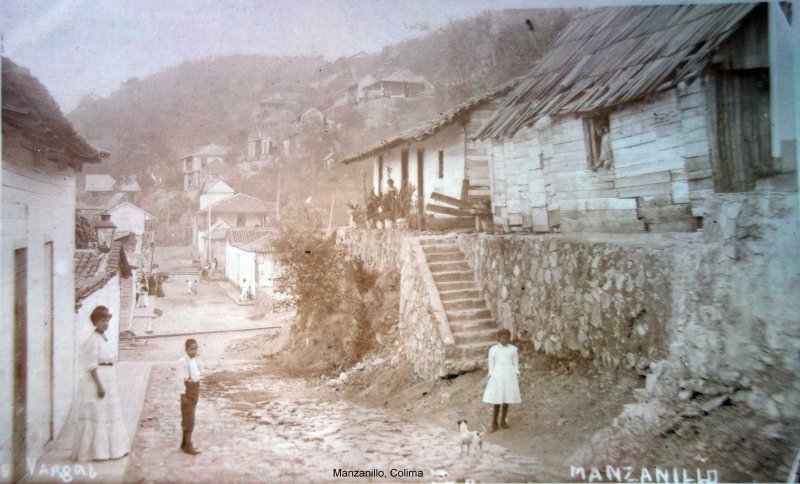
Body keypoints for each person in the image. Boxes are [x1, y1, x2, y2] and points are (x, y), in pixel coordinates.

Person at [71, 306, 130, 462]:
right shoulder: (92, 340)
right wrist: (99, 385)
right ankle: (96, 452)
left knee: (109, 413)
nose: (105, 323)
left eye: (107, 320)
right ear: (95, 323)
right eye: (102, 321)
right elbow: (90, 364)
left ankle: (113, 450)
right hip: (97, 380)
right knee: (98, 414)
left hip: (108, 377)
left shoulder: (104, 338)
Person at [482, 328, 521, 432]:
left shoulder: (513, 349)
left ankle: (503, 420)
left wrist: (516, 372)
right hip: (498, 375)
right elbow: (491, 363)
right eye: (503, 338)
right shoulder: (493, 349)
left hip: (509, 375)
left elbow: (515, 363)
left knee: (506, 398)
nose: (505, 340)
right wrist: (491, 374)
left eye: (507, 338)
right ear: (498, 338)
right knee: (497, 398)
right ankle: (494, 422)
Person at [177, 338, 203, 454]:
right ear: (186, 349)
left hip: (195, 390)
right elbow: (179, 380)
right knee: (189, 418)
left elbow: (198, 373)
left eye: (196, 349)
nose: (194, 352)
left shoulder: (195, 361)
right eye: (192, 349)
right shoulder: (182, 362)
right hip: (187, 392)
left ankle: (184, 443)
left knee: (189, 417)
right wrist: (183, 395)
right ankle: (188, 444)